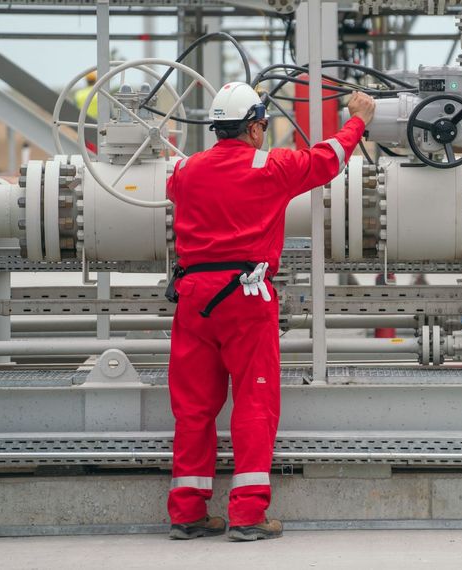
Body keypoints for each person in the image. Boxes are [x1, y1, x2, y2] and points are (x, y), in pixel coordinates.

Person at [164, 82, 375, 542]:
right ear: (257, 127)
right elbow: (329, 159)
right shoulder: (271, 166)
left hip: (193, 298)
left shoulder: (184, 170)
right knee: (255, 404)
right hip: (244, 296)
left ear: (217, 127)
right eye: (262, 124)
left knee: (194, 407)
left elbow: (179, 183)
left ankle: (186, 514)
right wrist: (358, 118)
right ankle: (247, 515)